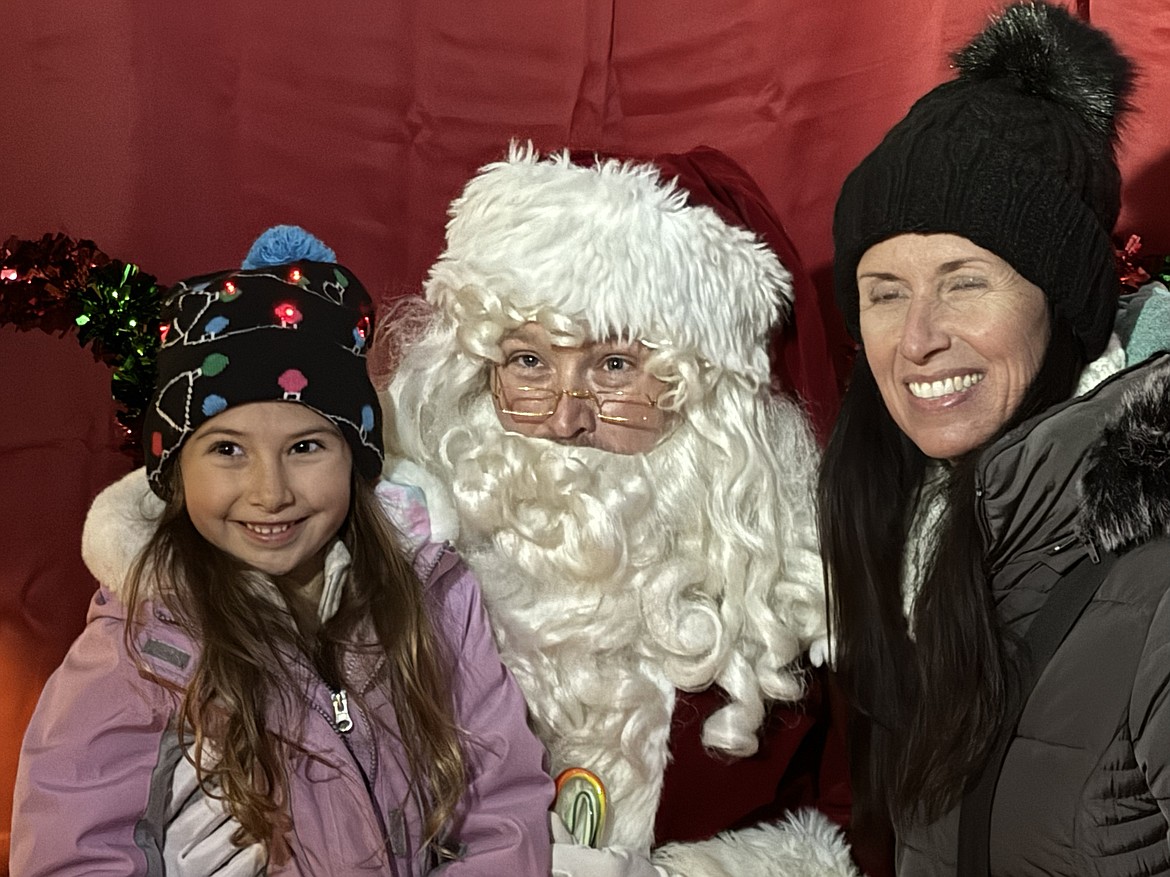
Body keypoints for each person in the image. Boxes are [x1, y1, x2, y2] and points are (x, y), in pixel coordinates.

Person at [381, 144, 860, 876]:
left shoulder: (782, 591)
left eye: (613, 366)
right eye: (530, 362)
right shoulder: (402, 554)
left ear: (697, 393)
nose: (568, 417)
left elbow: (844, 814)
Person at [10, 232, 553, 875]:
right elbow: (68, 848)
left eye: (305, 448)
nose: (269, 493)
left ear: (356, 457)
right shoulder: (140, 643)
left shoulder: (434, 593)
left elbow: (502, 808)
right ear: (176, 470)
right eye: (227, 450)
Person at [821, 2, 1170, 874]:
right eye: (885, 290)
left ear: (1068, 303)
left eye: (964, 281)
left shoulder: (1155, 560)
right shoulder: (914, 527)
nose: (917, 339)